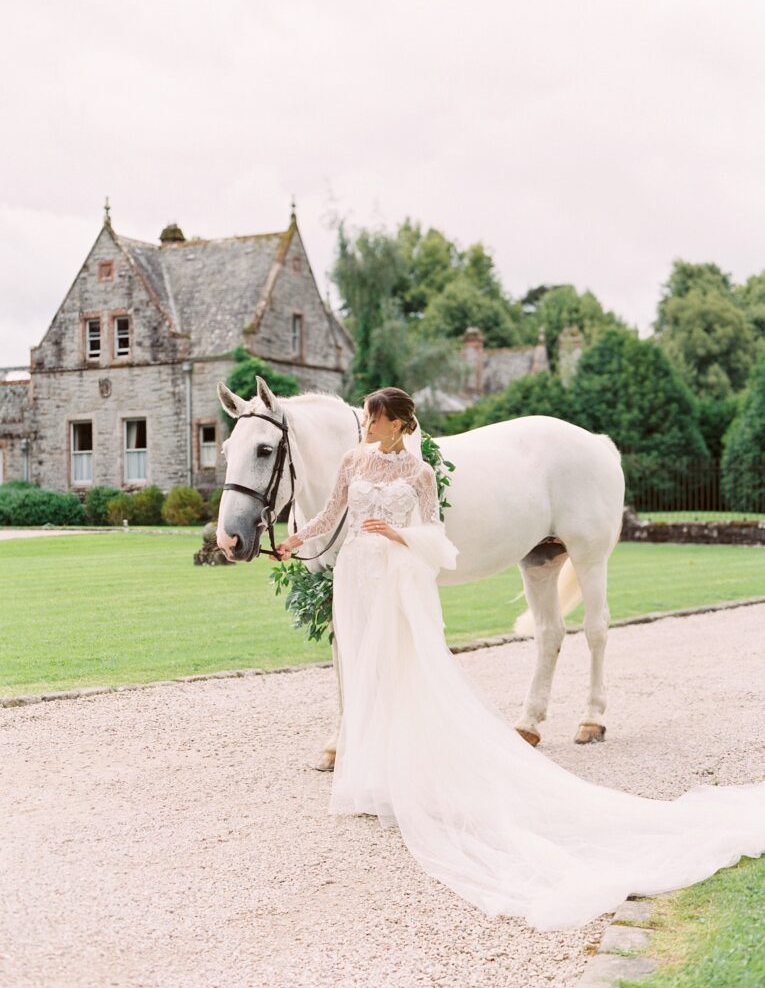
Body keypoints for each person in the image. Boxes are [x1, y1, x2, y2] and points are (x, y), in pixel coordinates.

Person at [274, 387, 765, 931]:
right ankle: (373, 758)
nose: (363, 423)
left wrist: (396, 533)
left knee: (418, 661)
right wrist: (293, 541)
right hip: (358, 575)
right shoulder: (351, 461)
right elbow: (328, 515)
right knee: (368, 658)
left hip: (390, 567)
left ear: (395, 424)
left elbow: (434, 533)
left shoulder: (419, 473)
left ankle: (594, 702)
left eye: (372, 416)